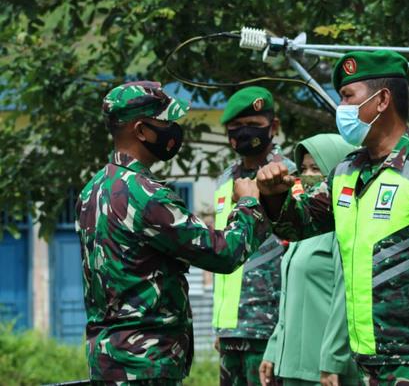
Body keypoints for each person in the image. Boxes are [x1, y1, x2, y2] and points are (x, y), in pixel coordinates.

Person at [256, 50, 409, 385]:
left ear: (381, 100)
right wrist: (273, 193)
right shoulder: (346, 171)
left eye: (348, 97)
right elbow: (297, 223)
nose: (341, 109)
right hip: (362, 363)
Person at [75, 81, 266, 385]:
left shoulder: (92, 190)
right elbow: (223, 253)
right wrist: (249, 203)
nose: (173, 130)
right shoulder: (147, 196)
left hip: (108, 359)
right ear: (141, 130)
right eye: (165, 122)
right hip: (146, 363)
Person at [212, 86, 296, 386]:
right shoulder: (225, 180)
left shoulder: (288, 175)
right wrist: (221, 328)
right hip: (231, 328)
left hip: (270, 328)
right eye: (235, 128)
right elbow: (224, 249)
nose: (243, 133)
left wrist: (282, 331)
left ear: (273, 127)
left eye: (253, 125)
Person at [259, 133, 359, 386]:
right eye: (303, 168)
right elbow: (288, 299)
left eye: (316, 168)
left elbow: (345, 299)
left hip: (326, 371)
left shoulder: (344, 227)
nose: (307, 175)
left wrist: (332, 361)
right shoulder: (302, 232)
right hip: (294, 367)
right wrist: (274, 349)